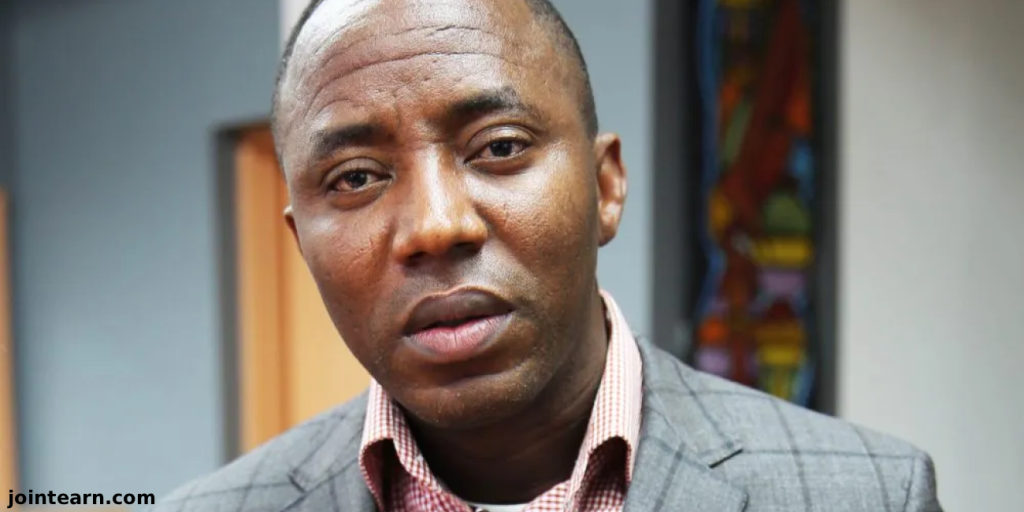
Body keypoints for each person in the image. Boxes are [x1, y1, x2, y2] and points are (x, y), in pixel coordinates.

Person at [153, 0, 942, 510]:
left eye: (499, 146)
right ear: (301, 246)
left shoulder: (866, 493)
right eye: (356, 177)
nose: (435, 226)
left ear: (606, 187)